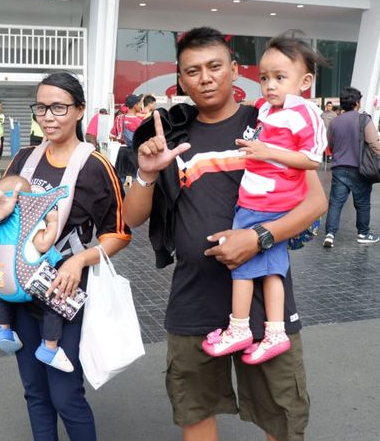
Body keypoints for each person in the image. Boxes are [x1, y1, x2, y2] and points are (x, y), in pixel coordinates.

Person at [124, 27, 327, 441]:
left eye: (215, 66)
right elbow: (130, 218)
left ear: (235, 71)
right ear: (180, 80)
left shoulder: (268, 121)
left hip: (264, 304)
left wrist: (258, 239)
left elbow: (315, 203)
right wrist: (147, 172)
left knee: (282, 417)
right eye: (193, 71)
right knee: (194, 409)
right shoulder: (170, 133)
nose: (206, 77)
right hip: (193, 298)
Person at [0, 72, 131, 440]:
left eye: (59, 107)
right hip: (18, 294)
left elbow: (119, 234)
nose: (48, 116)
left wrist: (80, 261)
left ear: (79, 110)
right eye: (41, 107)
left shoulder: (96, 165)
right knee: (35, 393)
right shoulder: (25, 159)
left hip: (63, 295)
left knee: (65, 396)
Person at [202, 33, 327, 365]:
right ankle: (275, 332)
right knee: (272, 272)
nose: (270, 85)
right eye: (265, 78)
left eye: (280, 78)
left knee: (241, 264)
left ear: (305, 81)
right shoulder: (267, 109)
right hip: (257, 196)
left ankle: (240, 327)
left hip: (266, 203)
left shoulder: (306, 113)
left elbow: (313, 160)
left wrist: (267, 151)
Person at [0, 175, 75, 373]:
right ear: (26, 198)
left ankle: (3, 330)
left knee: (6, 296)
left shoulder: (1, 221)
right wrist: (51, 222)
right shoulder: (29, 220)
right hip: (26, 281)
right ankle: (49, 348)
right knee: (55, 301)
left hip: (1, 282)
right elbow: (43, 243)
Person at [322, 86, 380, 248]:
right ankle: (363, 234)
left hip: (339, 167)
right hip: (360, 168)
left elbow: (331, 144)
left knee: (336, 202)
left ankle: (330, 234)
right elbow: (373, 142)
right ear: (357, 103)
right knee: (362, 203)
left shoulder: (335, 121)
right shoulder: (364, 120)